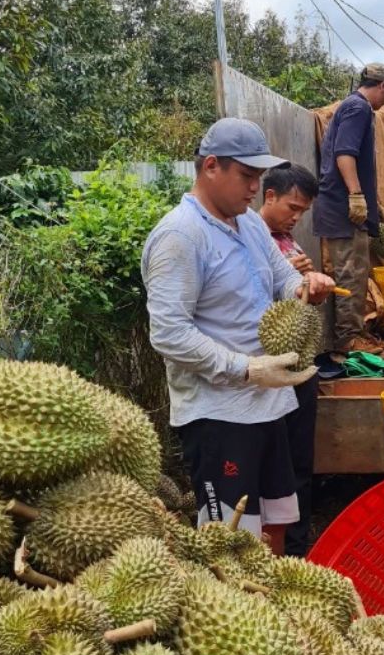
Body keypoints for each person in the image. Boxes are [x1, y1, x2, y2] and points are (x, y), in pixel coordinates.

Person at [141, 119, 335, 555]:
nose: (254, 189)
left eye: (258, 178)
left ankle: (280, 613)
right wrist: (246, 368)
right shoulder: (179, 236)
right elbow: (169, 332)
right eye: (246, 177)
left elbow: (284, 280)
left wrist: (308, 287)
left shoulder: (249, 224)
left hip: (271, 405)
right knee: (232, 542)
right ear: (211, 167)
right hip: (220, 414)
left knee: (279, 521)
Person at [314, 63, 384, 355]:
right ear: (383, 86)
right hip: (343, 208)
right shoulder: (358, 108)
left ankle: (356, 332)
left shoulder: (353, 107)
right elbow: (345, 154)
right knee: (350, 273)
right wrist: (356, 196)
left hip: (343, 206)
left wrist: (372, 204)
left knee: (356, 271)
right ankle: (348, 340)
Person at [258, 164, 321, 558]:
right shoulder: (250, 239)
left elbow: (301, 300)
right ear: (269, 196)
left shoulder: (288, 241)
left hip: (301, 362)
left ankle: (298, 546)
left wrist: (312, 285)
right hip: (267, 369)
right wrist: (283, 277)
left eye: (302, 211)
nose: (296, 217)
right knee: (273, 464)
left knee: (300, 459)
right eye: (292, 207)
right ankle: (270, 548)